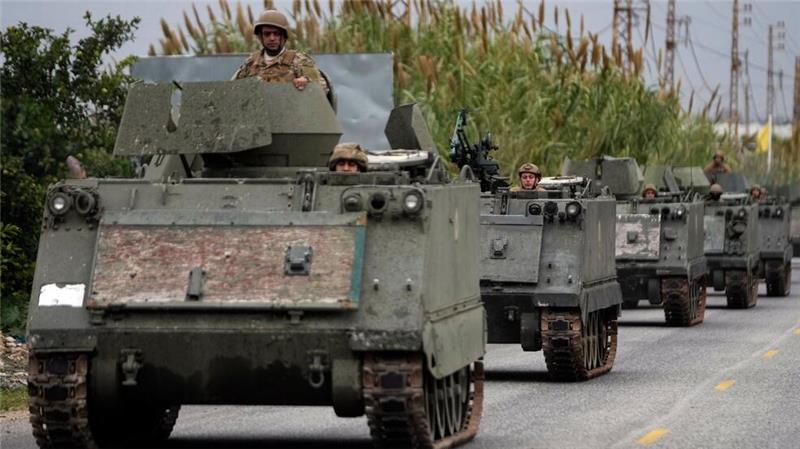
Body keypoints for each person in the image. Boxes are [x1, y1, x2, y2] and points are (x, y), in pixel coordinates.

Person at [232, 10, 325, 92]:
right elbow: (232, 88)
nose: (272, 38)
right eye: (267, 34)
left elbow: (322, 88)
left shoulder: (298, 60)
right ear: (261, 37)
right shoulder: (251, 63)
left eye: (276, 34)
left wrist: (306, 81)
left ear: (284, 37)